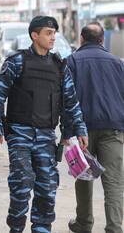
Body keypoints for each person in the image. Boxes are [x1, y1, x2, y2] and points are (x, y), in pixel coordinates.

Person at [0, 15, 89, 233]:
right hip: (19, 134)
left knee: (47, 187)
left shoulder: (59, 66)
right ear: (35, 36)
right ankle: (16, 227)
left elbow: (71, 102)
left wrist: (78, 128)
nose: (53, 37)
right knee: (22, 182)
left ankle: (42, 229)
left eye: (54, 33)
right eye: (48, 33)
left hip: (46, 135)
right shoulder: (17, 62)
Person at [67, 22, 124, 233]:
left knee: (83, 176)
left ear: (81, 38)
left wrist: (67, 130)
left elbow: (66, 98)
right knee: (114, 182)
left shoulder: (72, 61)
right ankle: (114, 228)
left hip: (83, 130)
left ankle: (84, 223)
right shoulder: (118, 63)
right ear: (102, 40)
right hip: (113, 128)